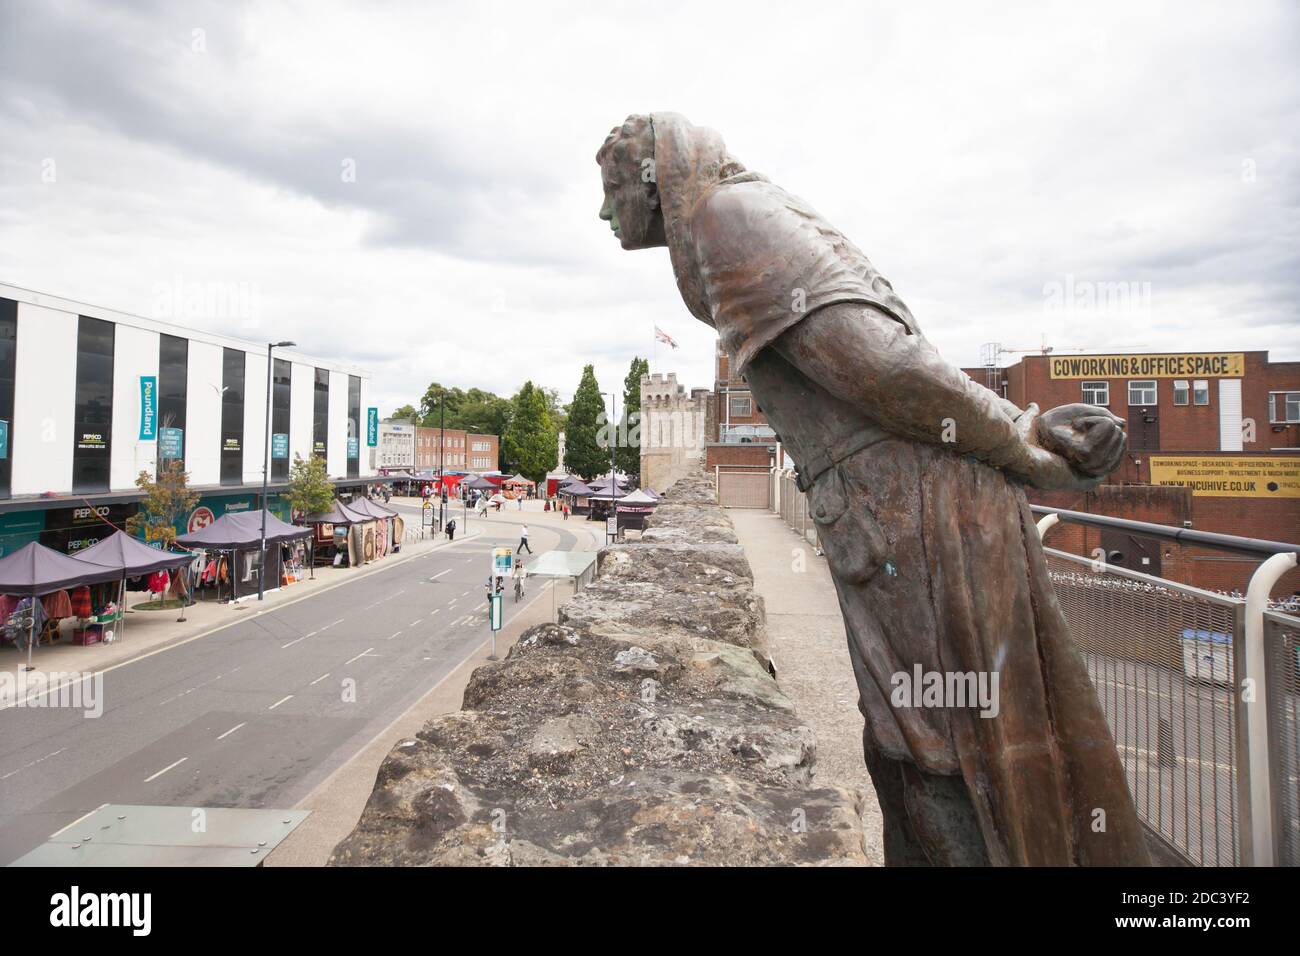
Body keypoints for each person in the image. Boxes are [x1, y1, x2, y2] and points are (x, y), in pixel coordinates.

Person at [596, 113, 1147, 867]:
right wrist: (1025, 433)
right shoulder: (742, 215)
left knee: (935, 752)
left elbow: (886, 367)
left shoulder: (728, 221)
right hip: (900, 519)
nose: (605, 211)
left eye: (612, 188)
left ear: (653, 180)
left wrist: (1031, 448)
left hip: (924, 524)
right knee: (917, 746)